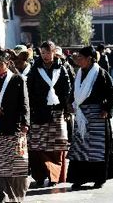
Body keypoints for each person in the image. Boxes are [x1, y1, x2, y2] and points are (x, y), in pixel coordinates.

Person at [0, 45, 30, 202]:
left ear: (7, 62)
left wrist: (25, 123)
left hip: (14, 127)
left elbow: (24, 104)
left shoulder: (17, 80)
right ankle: (0, 198)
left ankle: (15, 197)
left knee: (15, 166)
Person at [67, 46, 113, 190]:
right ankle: (79, 179)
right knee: (80, 148)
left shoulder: (100, 73)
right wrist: (70, 104)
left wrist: (106, 109)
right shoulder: (79, 74)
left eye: (80, 58)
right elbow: (74, 93)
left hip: (97, 116)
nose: (78, 60)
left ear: (89, 59)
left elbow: (112, 92)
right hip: (82, 116)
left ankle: (98, 178)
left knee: (97, 149)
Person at [27, 41, 71, 187]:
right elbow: (29, 90)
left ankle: (54, 176)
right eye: (43, 53)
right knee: (36, 146)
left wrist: (66, 108)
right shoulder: (35, 69)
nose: (45, 56)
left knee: (56, 147)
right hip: (39, 112)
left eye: (48, 52)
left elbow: (66, 90)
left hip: (57, 112)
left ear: (54, 52)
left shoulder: (62, 68)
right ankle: (39, 176)